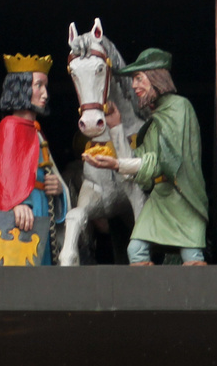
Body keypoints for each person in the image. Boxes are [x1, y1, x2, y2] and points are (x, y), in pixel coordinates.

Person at [83, 48, 208, 265]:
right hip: (160, 199)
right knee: (137, 250)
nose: (133, 86)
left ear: (156, 78)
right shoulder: (155, 118)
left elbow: (165, 161)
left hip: (183, 197)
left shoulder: (180, 109)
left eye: (139, 78)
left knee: (192, 257)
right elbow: (138, 161)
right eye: (133, 79)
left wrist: (118, 163)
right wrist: (116, 127)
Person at [0, 54, 67, 264]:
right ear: (21, 88)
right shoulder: (10, 127)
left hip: (41, 206)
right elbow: (2, 176)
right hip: (25, 212)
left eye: (45, 86)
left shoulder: (37, 132)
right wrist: (15, 203)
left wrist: (58, 190)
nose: (45, 94)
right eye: (38, 85)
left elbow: (45, 171)